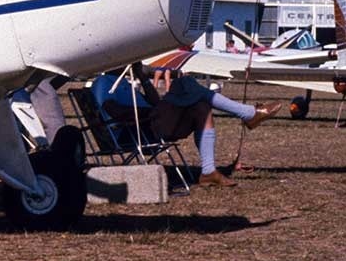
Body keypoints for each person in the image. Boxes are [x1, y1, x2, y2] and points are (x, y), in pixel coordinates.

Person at [98, 65, 285, 188]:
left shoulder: (121, 84)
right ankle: (248, 114)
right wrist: (152, 110)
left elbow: (154, 102)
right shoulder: (104, 89)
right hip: (149, 128)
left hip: (161, 122)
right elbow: (118, 112)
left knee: (202, 108)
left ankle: (209, 171)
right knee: (184, 83)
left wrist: (143, 78)